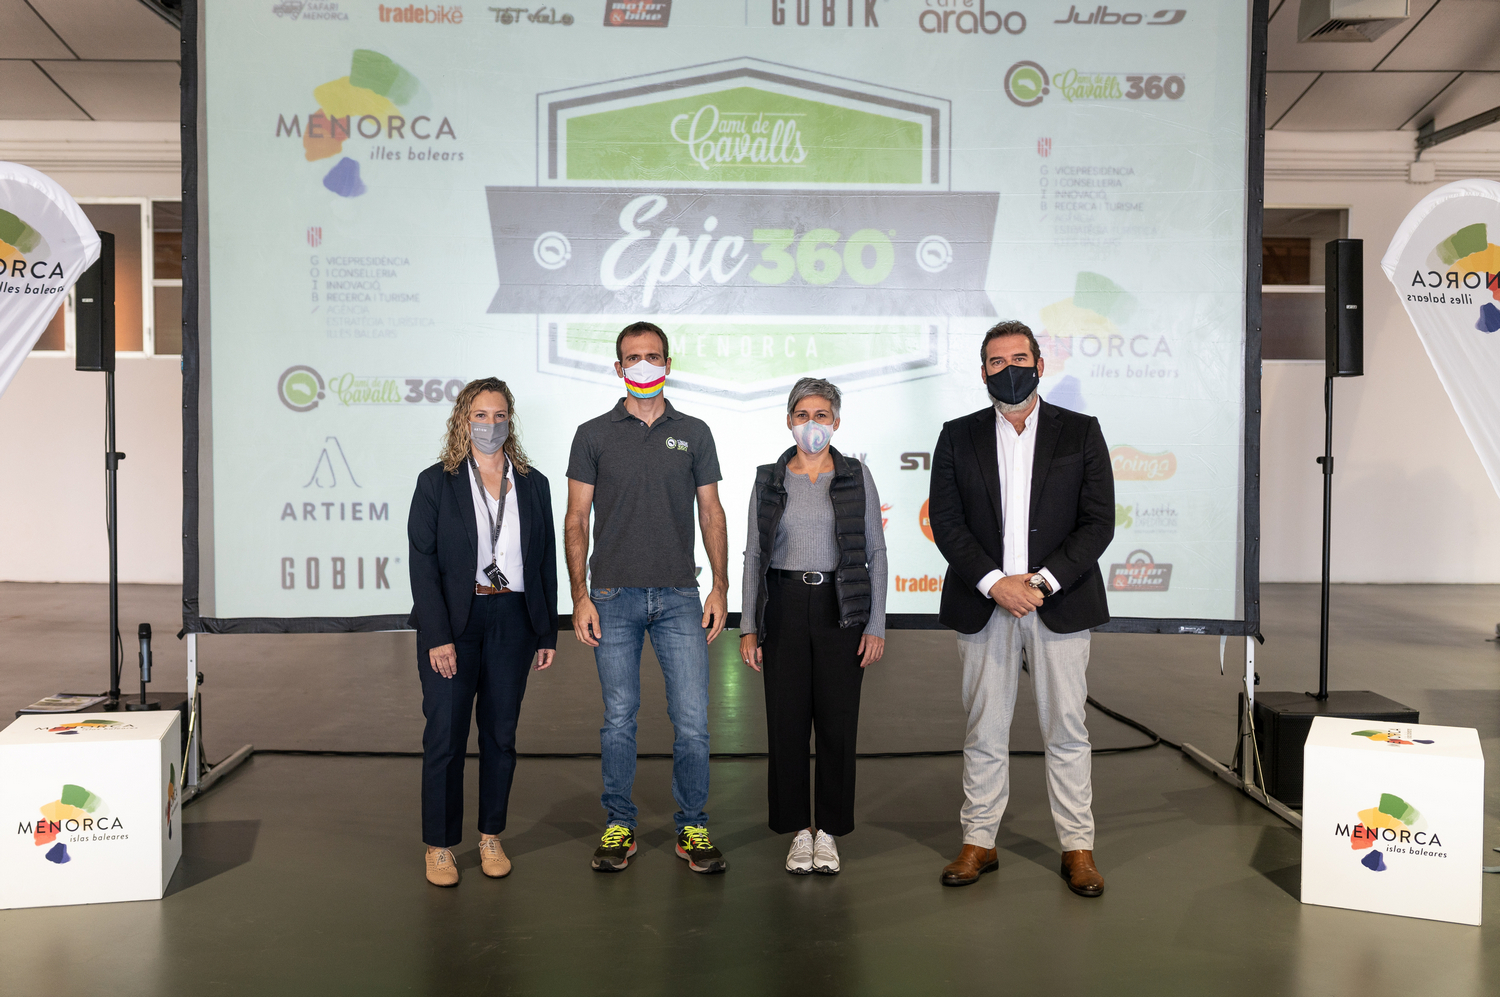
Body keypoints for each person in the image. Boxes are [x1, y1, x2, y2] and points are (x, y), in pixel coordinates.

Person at [927, 320, 1114, 896]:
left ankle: (1077, 848)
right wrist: (993, 583)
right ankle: (979, 841)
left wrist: (1043, 582)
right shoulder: (957, 436)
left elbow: (1098, 521)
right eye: (996, 361)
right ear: (982, 371)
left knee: (1067, 728)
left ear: (1039, 363)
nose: (1009, 369)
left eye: (1019, 357)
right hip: (985, 604)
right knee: (985, 728)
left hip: (1058, 602)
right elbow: (946, 522)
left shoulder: (1080, 432)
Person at [565, 321, 731, 875]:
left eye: (652, 356)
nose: (643, 365)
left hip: (681, 596)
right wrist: (580, 595)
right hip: (610, 596)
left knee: (693, 721)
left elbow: (711, 511)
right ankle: (619, 824)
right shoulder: (592, 434)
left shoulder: (695, 431)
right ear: (617, 368)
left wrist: (720, 586)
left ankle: (693, 826)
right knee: (618, 719)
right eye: (632, 357)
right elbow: (576, 517)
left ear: (668, 364)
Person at [407, 378, 559, 887]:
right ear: (461, 420)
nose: (489, 425)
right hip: (455, 622)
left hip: (513, 621)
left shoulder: (532, 482)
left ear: (510, 420)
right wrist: (437, 636)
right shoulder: (437, 481)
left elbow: (543, 563)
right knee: (445, 738)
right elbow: (422, 564)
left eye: (498, 415)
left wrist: (546, 632)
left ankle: (490, 834)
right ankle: (440, 846)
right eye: (479, 415)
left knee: (500, 736)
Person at [740, 377, 887, 876]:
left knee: (837, 723)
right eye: (803, 415)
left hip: (841, 606)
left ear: (836, 422)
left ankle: (828, 832)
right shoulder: (768, 478)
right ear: (788, 421)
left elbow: (876, 551)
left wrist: (876, 624)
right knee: (785, 723)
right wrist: (748, 625)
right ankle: (797, 833)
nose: (812, 424)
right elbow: (755, 553)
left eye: (822, 415)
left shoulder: (855, 475)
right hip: (782, 602)